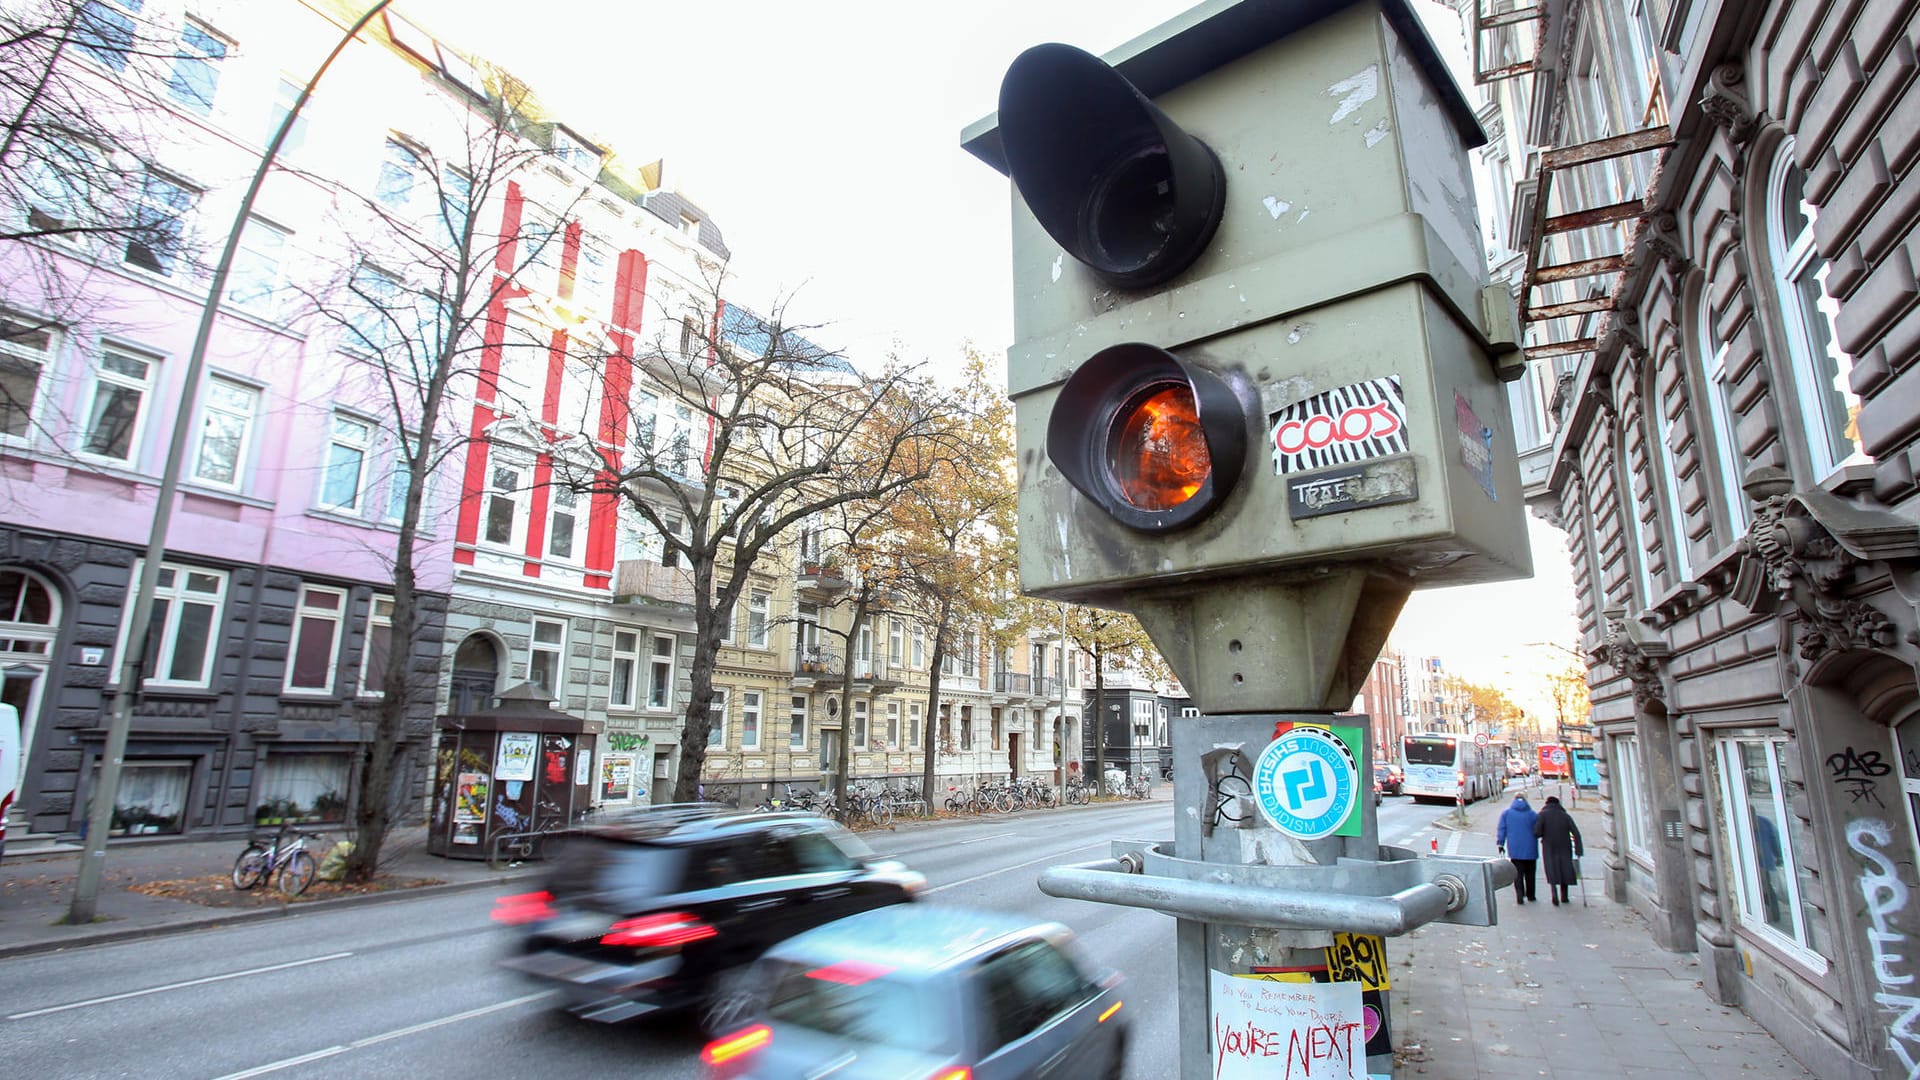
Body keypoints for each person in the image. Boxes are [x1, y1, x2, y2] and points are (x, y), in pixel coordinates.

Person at [1533, 795, 1585, 906]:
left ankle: (1554, 895)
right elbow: (1576, 833)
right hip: (1564, 845)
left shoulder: (1542, 815)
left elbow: (1536, 832)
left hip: (1549, 846)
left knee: (1552, 869)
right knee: (1564, 868)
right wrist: (1578, 849)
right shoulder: (1565, 816)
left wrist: (1543, 834)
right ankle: (1564, 896)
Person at [1495, 794, 1540, 904]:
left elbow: (1502, 829)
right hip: (1531, 849)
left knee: (1517, 873)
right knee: (1530, 873)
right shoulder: (1532, 814)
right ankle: (1531, 895)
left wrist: (1500, 844)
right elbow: (1538, 830)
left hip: (1515, 850)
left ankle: (1519, 894)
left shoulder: (1506, 814)